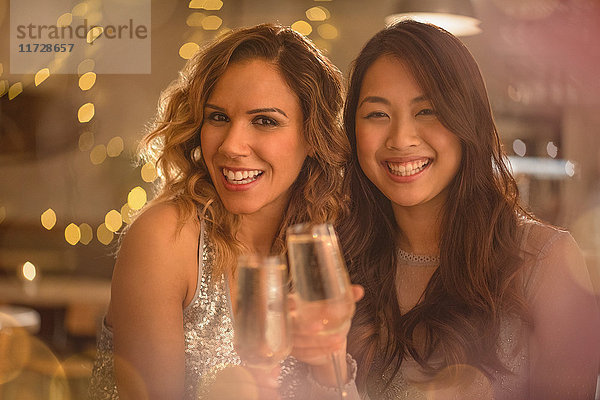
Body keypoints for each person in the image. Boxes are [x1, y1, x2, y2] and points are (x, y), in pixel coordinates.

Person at [88, 23, 358, 400]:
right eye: (218, 117)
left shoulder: (332, 244)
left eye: (264, 121)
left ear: (313, 136)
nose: (231, 145)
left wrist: (331, 365)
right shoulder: (166, 238)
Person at [338, 20, 600, 399]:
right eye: (377, 114)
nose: (401, 138)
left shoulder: (544, 261)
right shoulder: (339, 260)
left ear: (467, 121)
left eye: (426, 111)